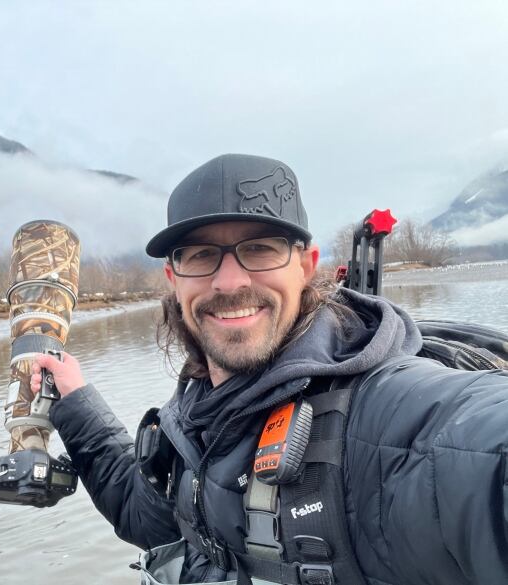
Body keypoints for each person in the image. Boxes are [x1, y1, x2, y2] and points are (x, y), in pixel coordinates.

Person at [31, 154, 508, 585]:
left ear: (306, 266)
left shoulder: (390, 421)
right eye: (200, 255)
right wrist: (75, 402)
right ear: (174, 280)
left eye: (260, 248)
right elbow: (149, 519)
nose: (230, 281)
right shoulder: (192, 414)